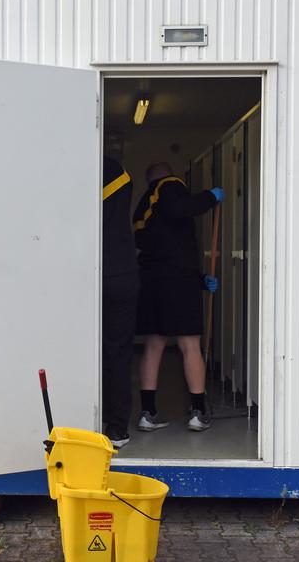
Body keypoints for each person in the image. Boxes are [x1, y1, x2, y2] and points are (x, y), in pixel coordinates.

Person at [132, 162, 223, 432]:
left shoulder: (144, 206)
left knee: (153, 345)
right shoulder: (170, 186)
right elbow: (181, 210)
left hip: (151, 281)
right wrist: (210, 197)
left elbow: (164, 247)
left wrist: (200, 279)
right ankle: (198, 411)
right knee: (189, 344)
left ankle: (147, 412)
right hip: (179, 282)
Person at [101, 157, 140, 449]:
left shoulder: (78, 169)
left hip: (87, 275)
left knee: (83, 351)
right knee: (118, 353)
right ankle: (116, 429)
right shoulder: (121, 174)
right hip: (122, 273)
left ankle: (81, 422)